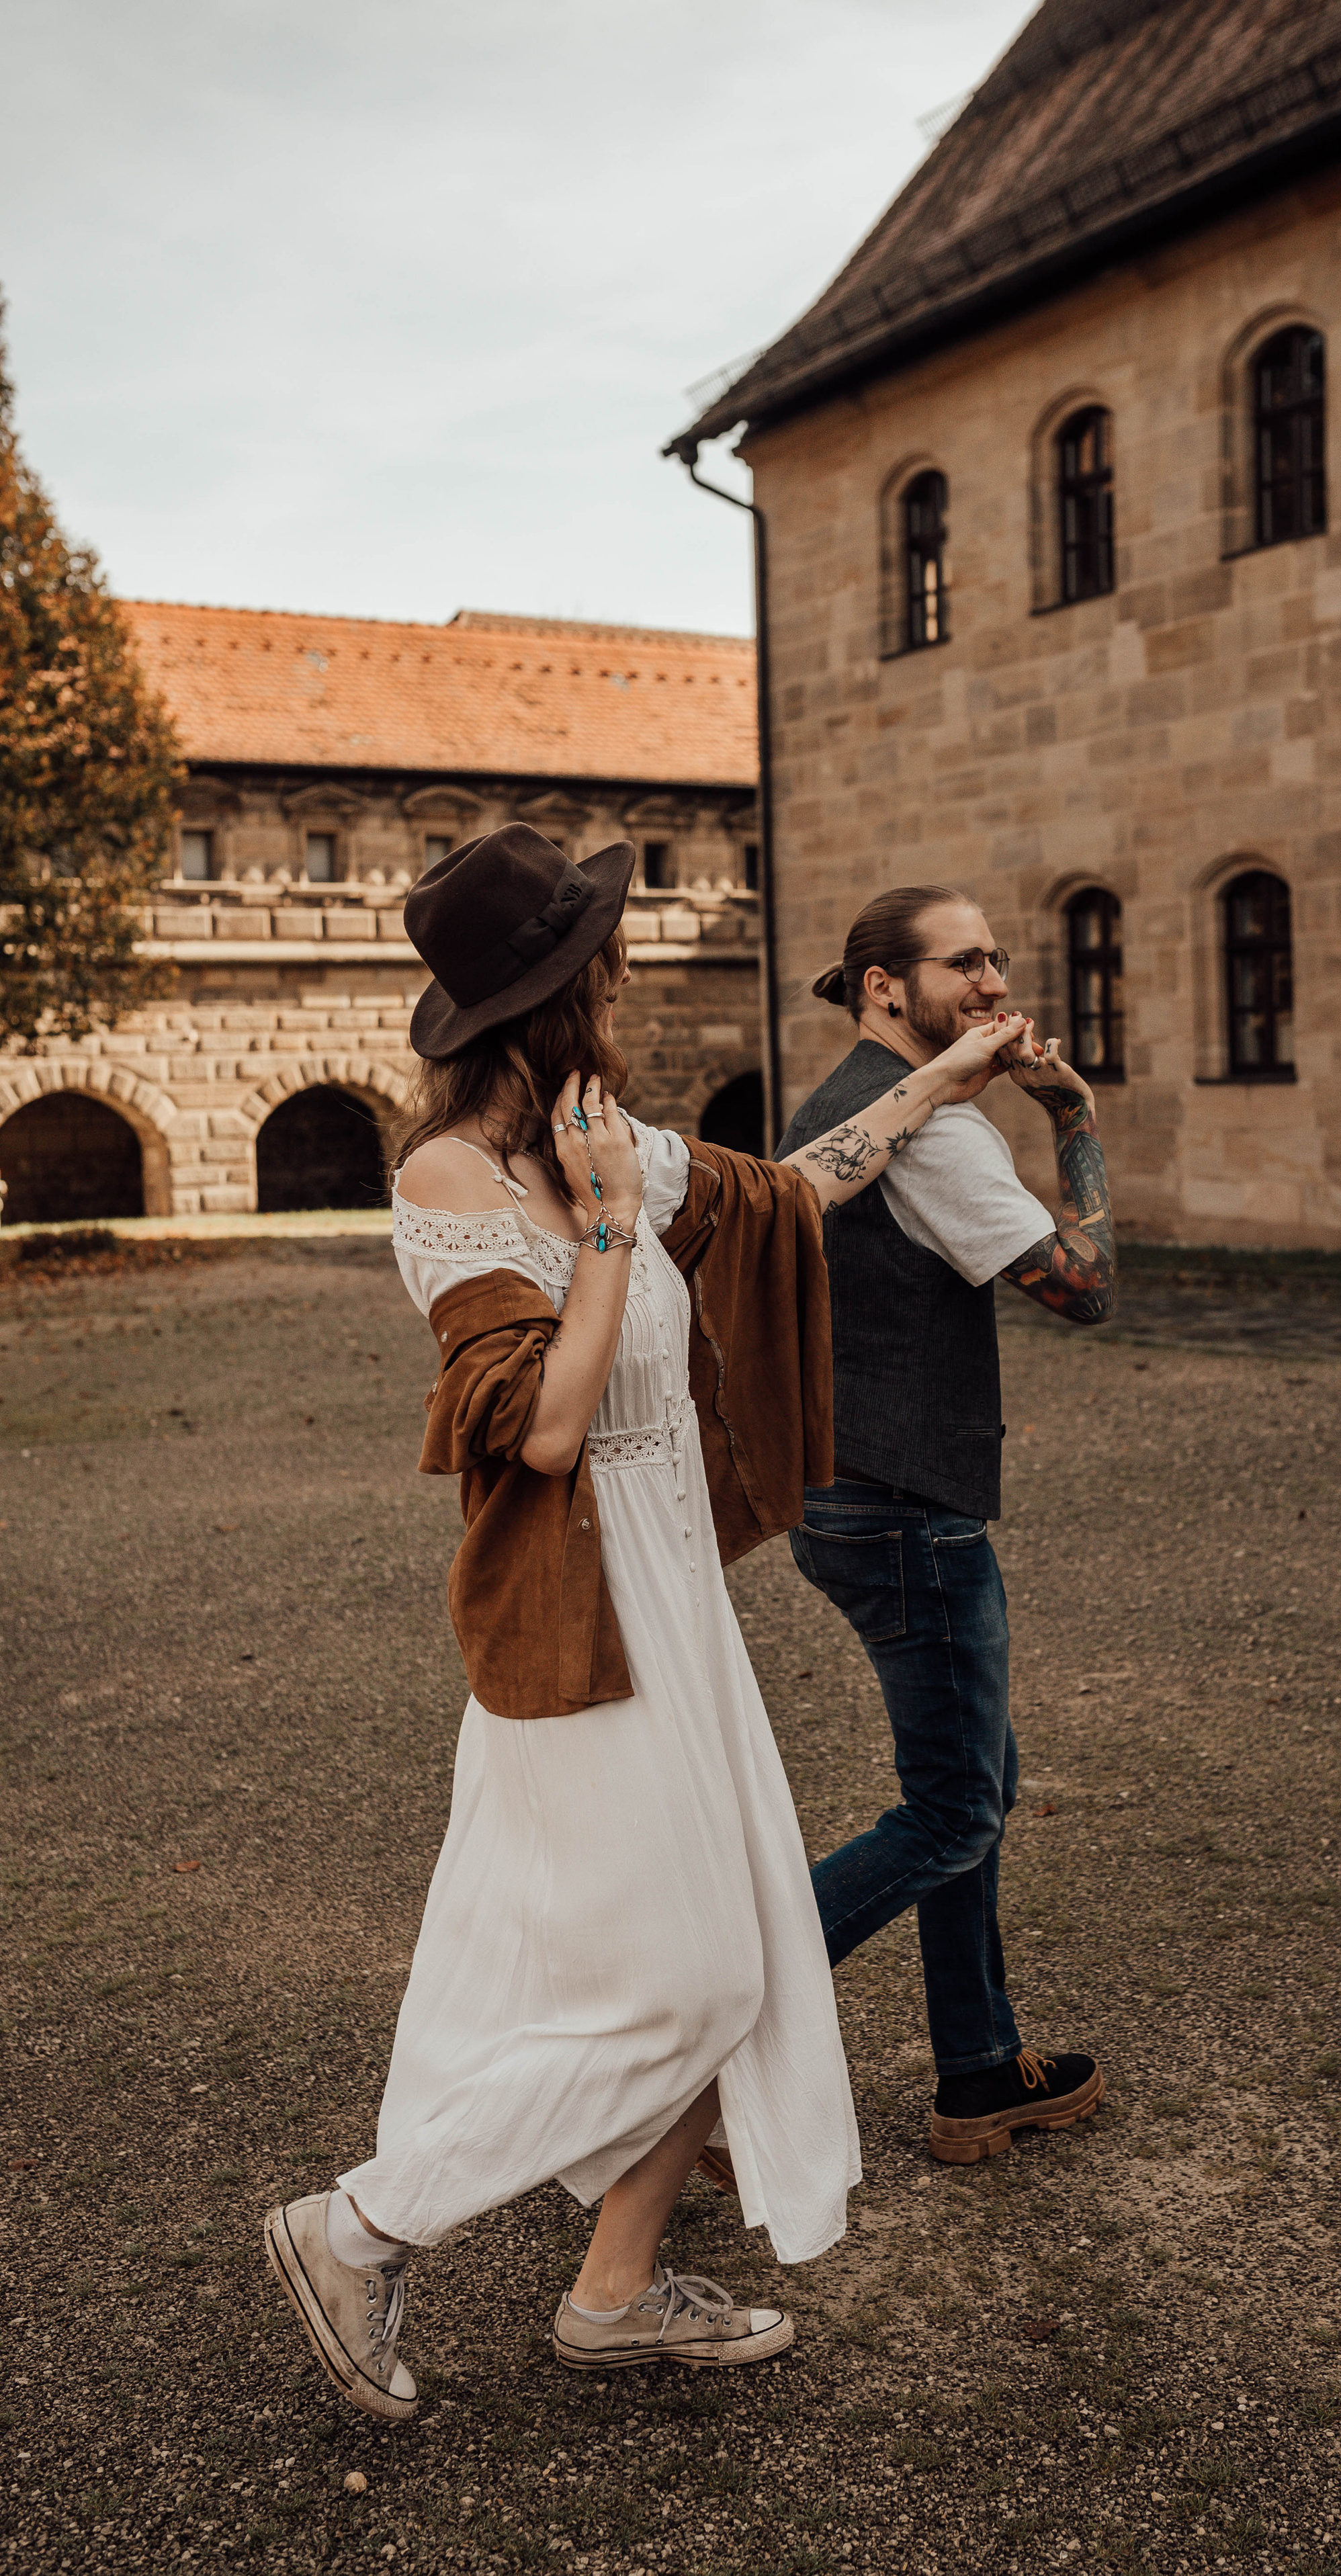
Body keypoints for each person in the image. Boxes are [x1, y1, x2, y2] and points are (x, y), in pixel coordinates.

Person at [263, 827, 1030, 2421]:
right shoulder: (448, 1180)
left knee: (743, 1950)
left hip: (677, 1608)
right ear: (551, 992)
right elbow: (539, 1427)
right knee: (683, 1985)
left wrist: (936, 1084)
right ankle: (358, 2225)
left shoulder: (594, 1136)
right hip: (580, 1627)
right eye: (597, 963)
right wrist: (611, 1228)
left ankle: (614, 2292)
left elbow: (788, 1193)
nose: (616, 979)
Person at [775, 882, 1117, 2172]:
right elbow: (1084, 1290)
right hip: (904, 1508)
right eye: (961, 962)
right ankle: (696, 2035)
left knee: (973, 1787)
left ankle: (978, 2067)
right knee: (958, 1807)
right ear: (884, 987)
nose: (992, 979)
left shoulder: (854, 1102)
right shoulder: (935, 1135)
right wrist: (1075, 1116)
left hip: (859, 1493)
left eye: (997, 958)